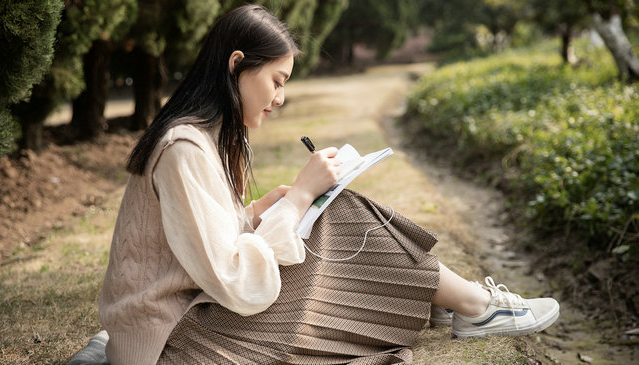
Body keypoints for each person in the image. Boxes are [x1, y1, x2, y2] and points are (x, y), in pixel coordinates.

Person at [98, 5, 559, 365]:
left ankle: (456, 301)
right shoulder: (184, 147)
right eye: (276, 81)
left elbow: (200, 242)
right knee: (333, 214)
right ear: (237, 64)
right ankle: (471, 305)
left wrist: (259, 211)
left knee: (331, 207)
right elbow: (235, 279)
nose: (279, 98)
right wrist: (298, 198)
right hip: (172, 349)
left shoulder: (203, 140)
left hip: (189, 327)